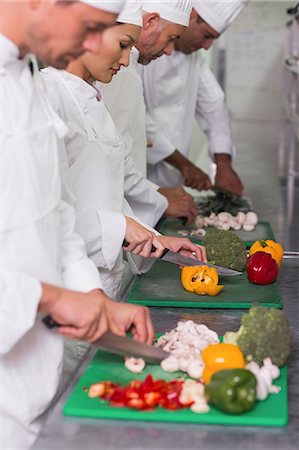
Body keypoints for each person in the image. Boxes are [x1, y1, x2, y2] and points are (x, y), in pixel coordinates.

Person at [0, 1, 154, 447]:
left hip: (35, 382)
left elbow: (58, 211)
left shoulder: (26, 78)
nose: (90, 46)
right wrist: (52, 297)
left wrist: (91, 297)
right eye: (91, 27)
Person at [100, 0, 198, 227]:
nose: (169, 51)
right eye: (171, 38)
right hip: (114, 219)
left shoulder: (127, 69)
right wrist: (159, 199)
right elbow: (112, 159)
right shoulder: (123, 73)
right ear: (151, 20)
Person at [140, 0, 248, 196]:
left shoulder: (193, 58)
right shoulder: (143, 52)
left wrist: (223, 164)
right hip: (138, 176)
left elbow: (214, 107)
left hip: (172, 181)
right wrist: (185, 166)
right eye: (207, 36)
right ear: (192, 16)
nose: (207, 47)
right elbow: (138, 118)